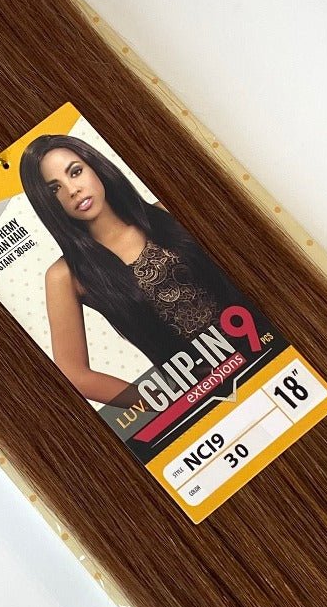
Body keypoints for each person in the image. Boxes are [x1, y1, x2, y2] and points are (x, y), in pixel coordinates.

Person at [19, 133, 241, 404]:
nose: (72, 190)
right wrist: (164, 403)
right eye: (54, 189)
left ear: (95, 166)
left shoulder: (168, 213)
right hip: (209, 398)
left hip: (266, 342)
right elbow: (74, 375)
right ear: (45, 202)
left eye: (75, 172)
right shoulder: (66, 275)